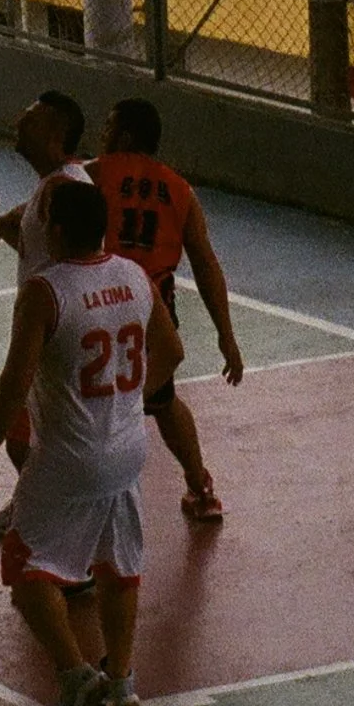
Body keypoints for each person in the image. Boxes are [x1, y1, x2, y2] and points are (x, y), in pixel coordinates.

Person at [0, 171, 182, 706]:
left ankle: (74, 673)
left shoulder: (45, 291)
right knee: (119, 565)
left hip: (69, 455)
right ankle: (123, 684)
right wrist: (128, 402)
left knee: (24, 567)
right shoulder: (135, 277)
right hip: (127, 448)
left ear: (57, 229)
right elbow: (172, 352)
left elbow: (15, 381)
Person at [90, 95, 246, 528]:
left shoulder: (96, 172)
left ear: (122, 136)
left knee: (84, 402)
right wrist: (226, 335)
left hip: (103, 302)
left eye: (106, 126)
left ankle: (75, 499)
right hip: (155, 310)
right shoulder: (180, 190)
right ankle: (200, 486)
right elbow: (206, 263)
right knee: (161, 400)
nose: (100, 134)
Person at [0, 90, 85, 540]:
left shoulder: (65, 190)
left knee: (27, 430)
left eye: (32, 118)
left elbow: (76, 259)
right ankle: (33, 502)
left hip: (54, 328)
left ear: (56, 135)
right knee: (31, 433)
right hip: (51, 323)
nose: (20, 119)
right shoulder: (52, 187)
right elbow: (33, 247)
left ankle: (53, 518)